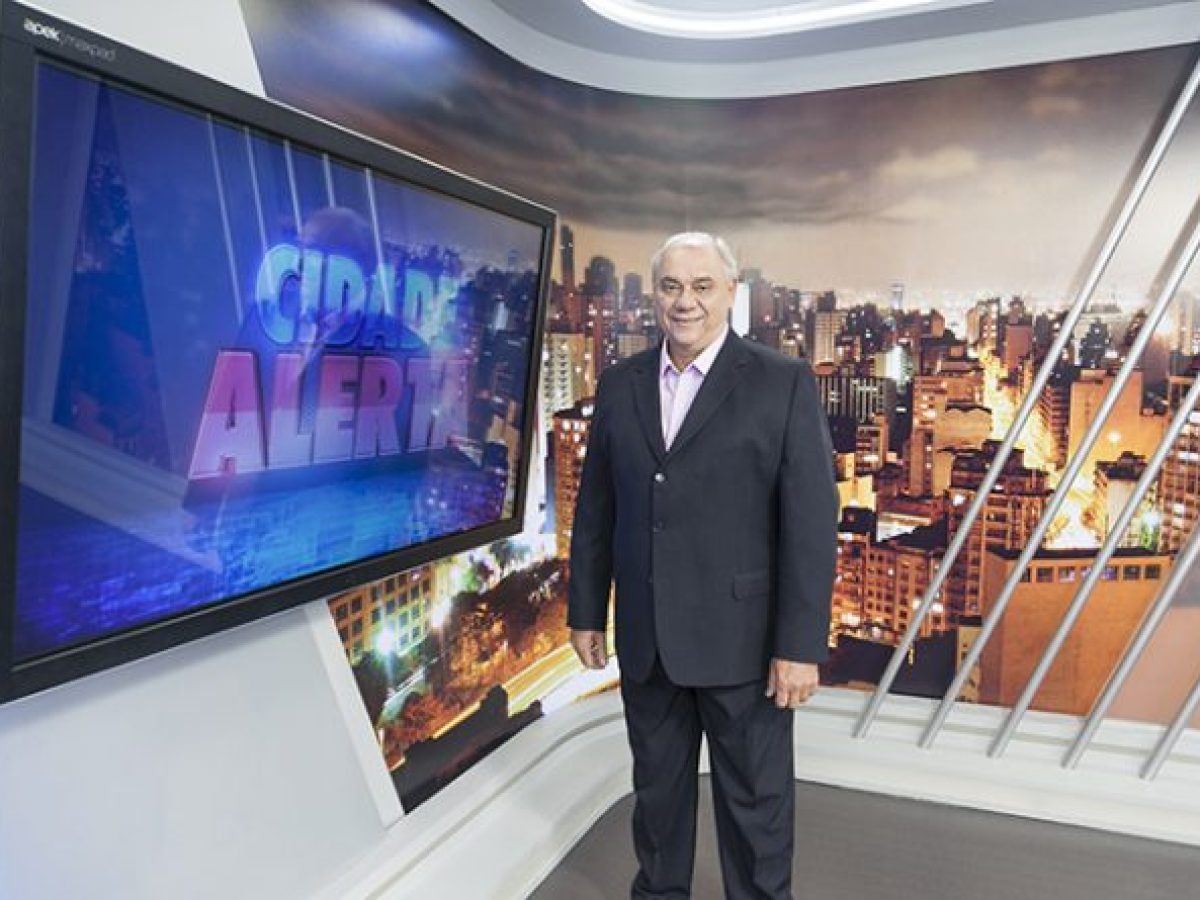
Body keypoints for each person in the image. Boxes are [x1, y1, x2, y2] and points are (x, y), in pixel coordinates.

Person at [567, 232, 839, 900]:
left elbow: (810, 525)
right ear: (655, 295)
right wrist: (586, 611)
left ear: (731, 293)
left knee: (756, 816)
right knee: (657, 810)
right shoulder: (621, 383)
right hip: (649, 641)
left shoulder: (782, 382)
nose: (684, 301)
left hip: (745, 647)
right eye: (670, 287)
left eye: (701, 286)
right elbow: (597, 507)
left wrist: (800, 647)